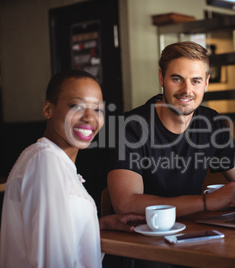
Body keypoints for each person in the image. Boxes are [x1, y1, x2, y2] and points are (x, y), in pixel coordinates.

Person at [0, 70, 144, 268]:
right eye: (77, 106)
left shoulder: (55, 161)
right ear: (48, 109)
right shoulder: (45, 161)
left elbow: (57, 232)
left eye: (98, 110)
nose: (89, 117)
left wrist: (99, 224)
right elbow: (52, 259)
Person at [107, 41, 235, 218]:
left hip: (192, 231)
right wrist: (207, 202)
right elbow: (126, 203)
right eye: (177, 79)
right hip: (141, 235)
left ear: (206, 83)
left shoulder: (211, 123)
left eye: (195, 81)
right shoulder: (131, 127)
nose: (187, 90)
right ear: (161, 78)